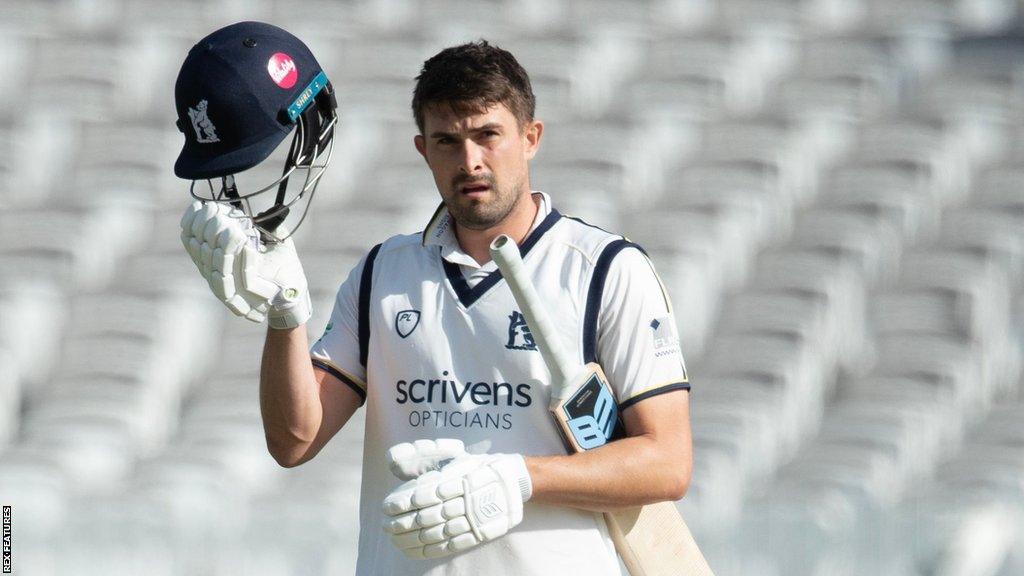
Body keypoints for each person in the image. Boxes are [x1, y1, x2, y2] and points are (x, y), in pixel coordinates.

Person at [180, 35, 692, 576]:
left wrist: (517, 477)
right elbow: (294, 440)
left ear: (531, 137)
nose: (469, 161)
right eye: (447, 141)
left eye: (488, 135)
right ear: (423, 149)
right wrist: (285, 317)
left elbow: (667, 462)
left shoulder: (605, 269)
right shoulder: (384, 272)